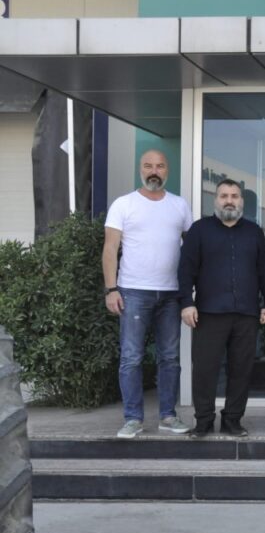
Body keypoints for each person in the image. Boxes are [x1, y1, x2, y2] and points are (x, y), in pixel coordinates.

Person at [102, 149, 193, 439]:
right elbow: (109, 249)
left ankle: (168, 415)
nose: (154, 171)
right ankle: (133, 419)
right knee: (131, 357)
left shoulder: (180, 206)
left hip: (171, 293)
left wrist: (191, 290)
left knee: (170, 358)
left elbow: (192, 251)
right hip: (133, 291)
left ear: (168, 170)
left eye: (160, 166)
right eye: (149, 166)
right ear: (140, 169)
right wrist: (111, 289)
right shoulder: (124, 204)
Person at [178, 179, 265, 438]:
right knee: (205, 370)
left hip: (247, 313)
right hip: (209, 313)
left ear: (241, 201)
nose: (229, 200)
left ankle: (232, 420)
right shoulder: (199, 230)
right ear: (215, 200)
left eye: (234, 196)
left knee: (241, 370)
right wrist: (186, 303)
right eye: (224, 196)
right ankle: (203, 421)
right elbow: (185, 270)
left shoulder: (254, 232)